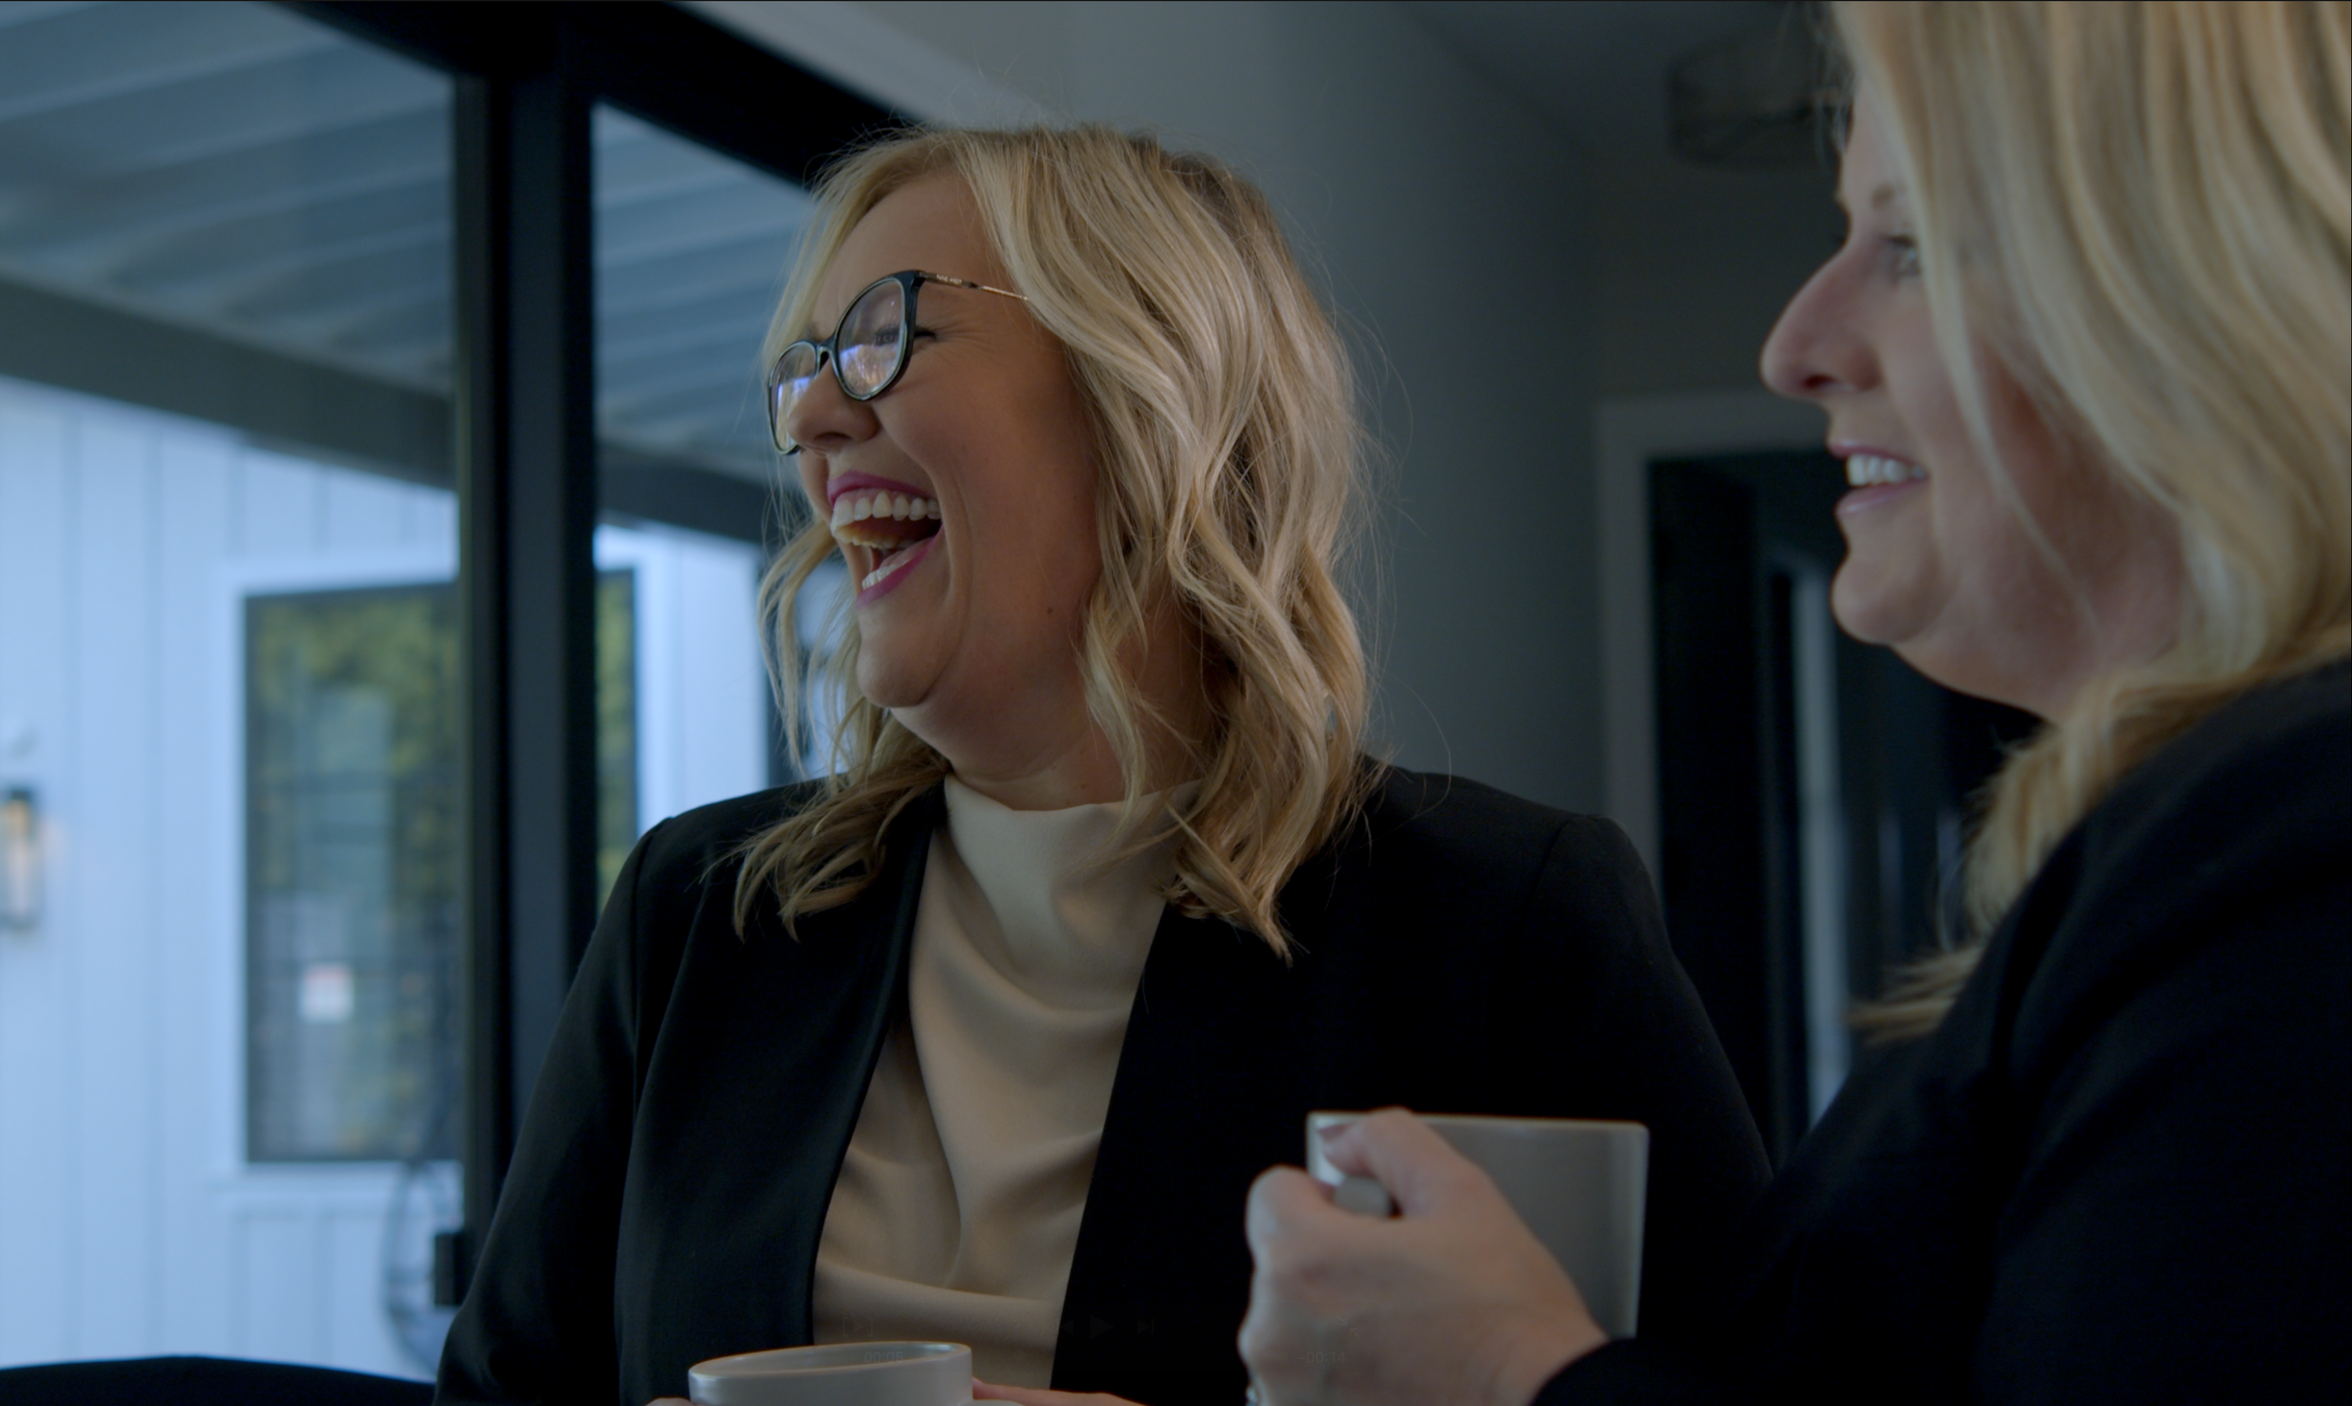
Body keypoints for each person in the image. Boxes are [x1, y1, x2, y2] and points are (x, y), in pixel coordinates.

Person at [433, 127, 1771, 1406]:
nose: (815, 420)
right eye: (806, 363)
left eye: (887, 331)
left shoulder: (1504, 924)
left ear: (1149, 392)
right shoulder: (699, 911)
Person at [1236, 2, 2351, 1402]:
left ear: (2211, 286)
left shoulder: (2297, 840)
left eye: (1916, 243)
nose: (1793, 344)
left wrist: (1514, 1373)